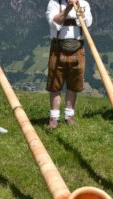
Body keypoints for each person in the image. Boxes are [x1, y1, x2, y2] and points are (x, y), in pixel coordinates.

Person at [45, 0, 92, 129]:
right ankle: (54, 117)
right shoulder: (54, 3)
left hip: (78, 47)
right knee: (55, 83)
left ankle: (69, 116)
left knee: (74, 83)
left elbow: (88, 23)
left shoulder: (84, 4)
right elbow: (55, 21)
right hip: (58, 47)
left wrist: (77, 8)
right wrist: (69, 8)